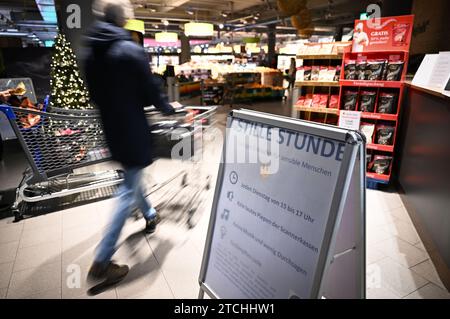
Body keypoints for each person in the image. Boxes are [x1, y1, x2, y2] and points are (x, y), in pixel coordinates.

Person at [82, 0, 175, 284]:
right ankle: (101, 260)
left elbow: (95, 95)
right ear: (122, 18)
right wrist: (167, 107)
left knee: (132, 177)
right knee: (126, 189)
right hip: (133, 128)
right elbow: (150, 92)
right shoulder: (130, 50)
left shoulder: (90, 52)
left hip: (111, 128)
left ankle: (149, 213)